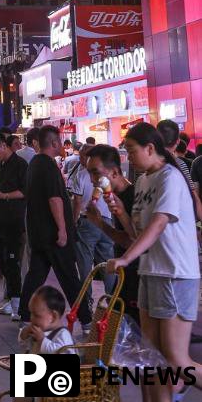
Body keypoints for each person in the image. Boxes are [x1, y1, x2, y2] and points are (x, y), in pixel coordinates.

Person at [107, 122, 201, 402]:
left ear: (150, 148)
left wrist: (126, 259)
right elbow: (139, 232)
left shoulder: (169, 178)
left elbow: (159, 224)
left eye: (132, 151)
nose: (129, 158)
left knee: (177, 360)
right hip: (151, 273)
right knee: (153, 356)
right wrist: (121, 214)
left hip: (174, 274)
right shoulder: (145, 180)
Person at [18, 125, 91, 330]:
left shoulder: (34, 164)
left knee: (36, 274)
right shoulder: (47, 166)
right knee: (69, 277)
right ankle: (86, 319)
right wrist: (62, 229)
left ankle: (25, 314)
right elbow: (54, 199)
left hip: (39, 232)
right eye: (60, 141)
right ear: (54, 143)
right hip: (52, 233)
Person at [84, 144, 139, 325]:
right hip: (127, 274)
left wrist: (103, 222)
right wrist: (99, 222)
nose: (93, 180)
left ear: (115, 172)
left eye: (96, 173)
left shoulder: (133, 197)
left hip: (138, 277)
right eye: (90, 173)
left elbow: (133, 241)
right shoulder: (117, 197)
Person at [0, 131, 28, 321]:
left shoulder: (20, 165)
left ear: (3, 145)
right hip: (0, 219)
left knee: (13, 261)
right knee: (3, 261)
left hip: (15, 221)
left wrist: (4, 196)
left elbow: (25, 191)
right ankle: (11, 298)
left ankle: (18, 303)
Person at [66, 144, 116, 311]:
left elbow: (77, 202)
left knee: (85, 265)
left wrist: (73, 224)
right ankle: (112, 302)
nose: (80, 159)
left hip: (87, 222)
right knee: (108, 264)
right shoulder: (108, 175)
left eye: (82, 156)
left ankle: (86, 304)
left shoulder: (80, 175)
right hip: (107, 221)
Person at [156, 119, 202, 222]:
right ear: (177, 141)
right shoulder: (179, 164)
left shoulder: (145, 167)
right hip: (180, 225)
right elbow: (194, 195)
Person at [18, 285, 76, 355]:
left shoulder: (63, 334)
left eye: (36, 315)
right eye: (31, 313)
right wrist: (24, 334)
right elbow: (23, 345)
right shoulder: (41, 330)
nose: (32, 318)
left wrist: (42, 340)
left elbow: (61, 352)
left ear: (53, 317)